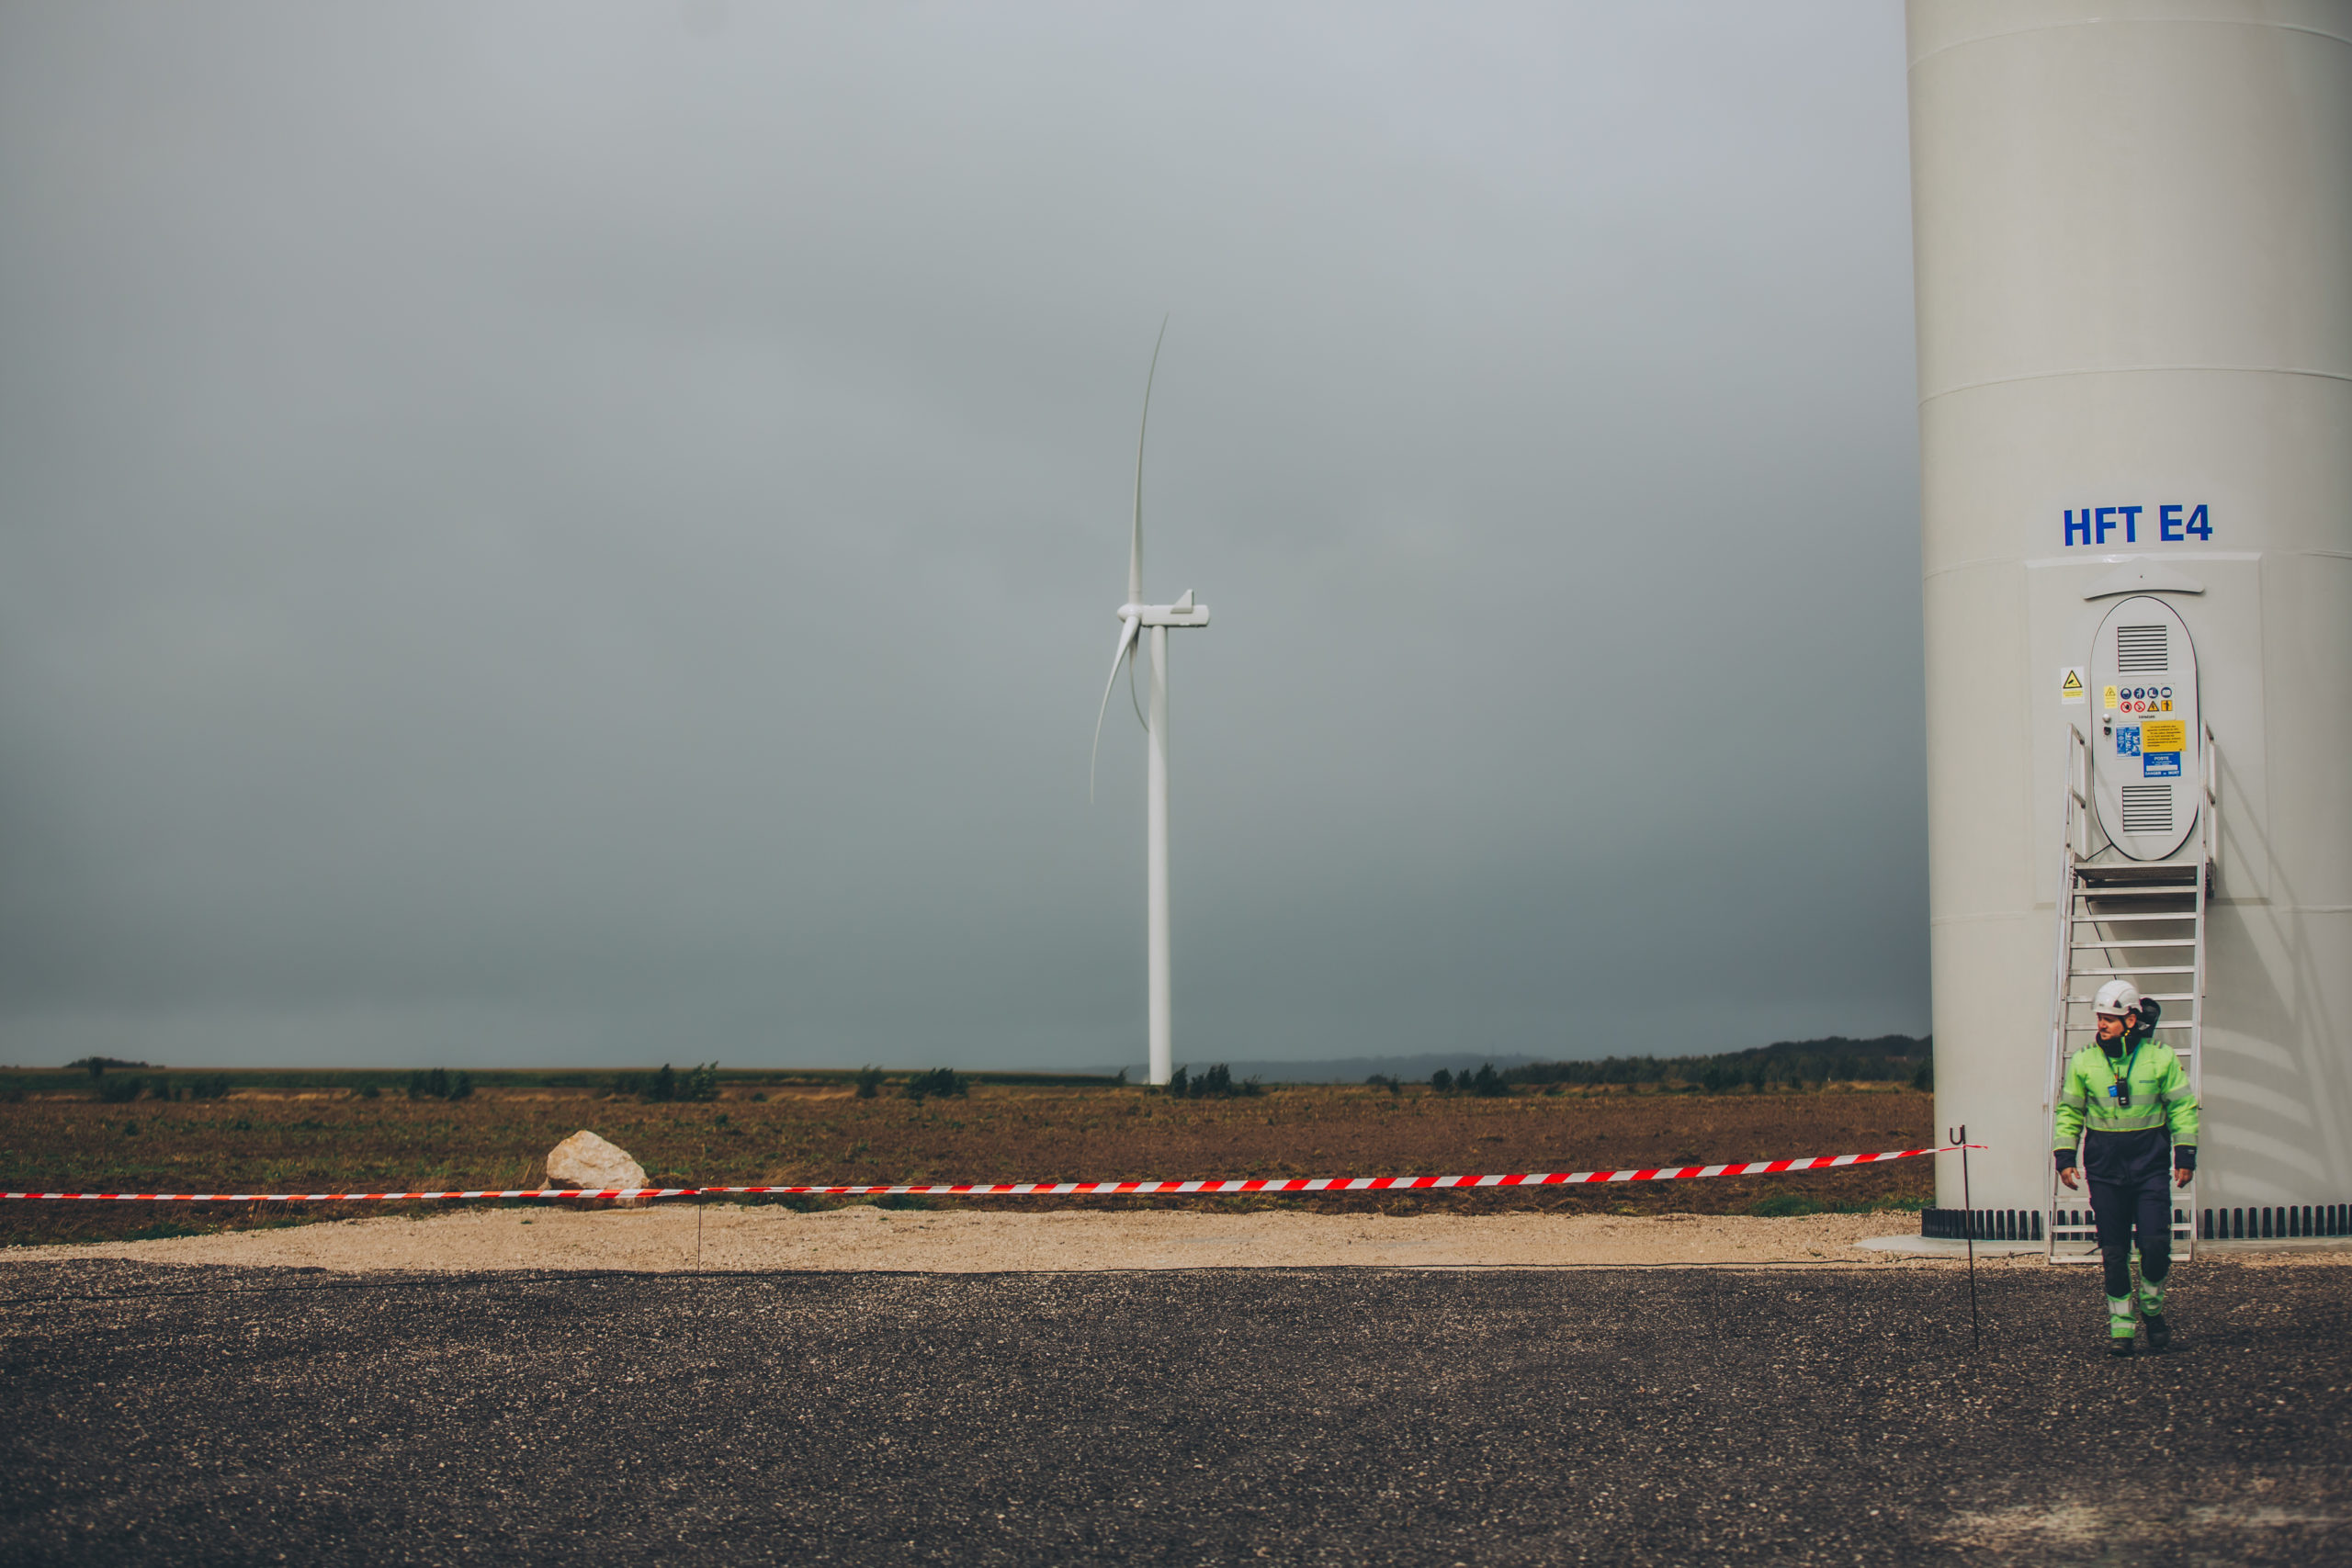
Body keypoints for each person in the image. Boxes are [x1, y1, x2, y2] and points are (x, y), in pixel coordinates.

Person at [2053, 979, 2198, 1357]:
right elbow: (2069, 1112)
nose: (2101, 1024)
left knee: (2155, 1245)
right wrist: (2064, 1157)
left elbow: (2182, 1107)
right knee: (2114, 1253)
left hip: (2149, 1167)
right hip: (2105, 1169)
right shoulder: (2084, 1061)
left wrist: (2185, 1154)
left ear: (2131, 1021)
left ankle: (2152, 1306)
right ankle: (2121, 1327)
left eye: (2109, 1019)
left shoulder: (2161, 1058)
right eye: (2100, 1018)